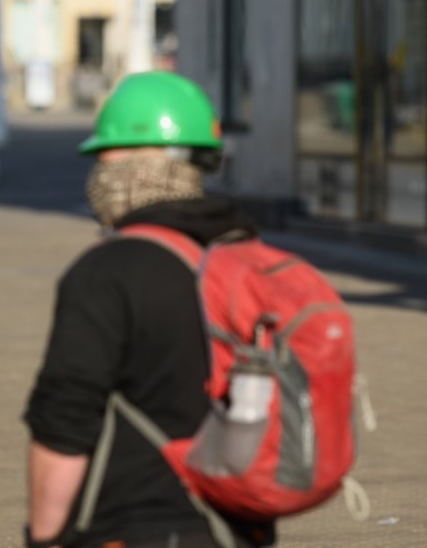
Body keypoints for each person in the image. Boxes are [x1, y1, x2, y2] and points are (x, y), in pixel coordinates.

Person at [23, 71, 276, 548]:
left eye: (105, 158)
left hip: (133, 527)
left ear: (133, 161)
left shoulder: (108, 271)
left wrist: (44, 537)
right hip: (240, 527)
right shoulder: (246, 257)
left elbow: (63, 423)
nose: (98, 175)